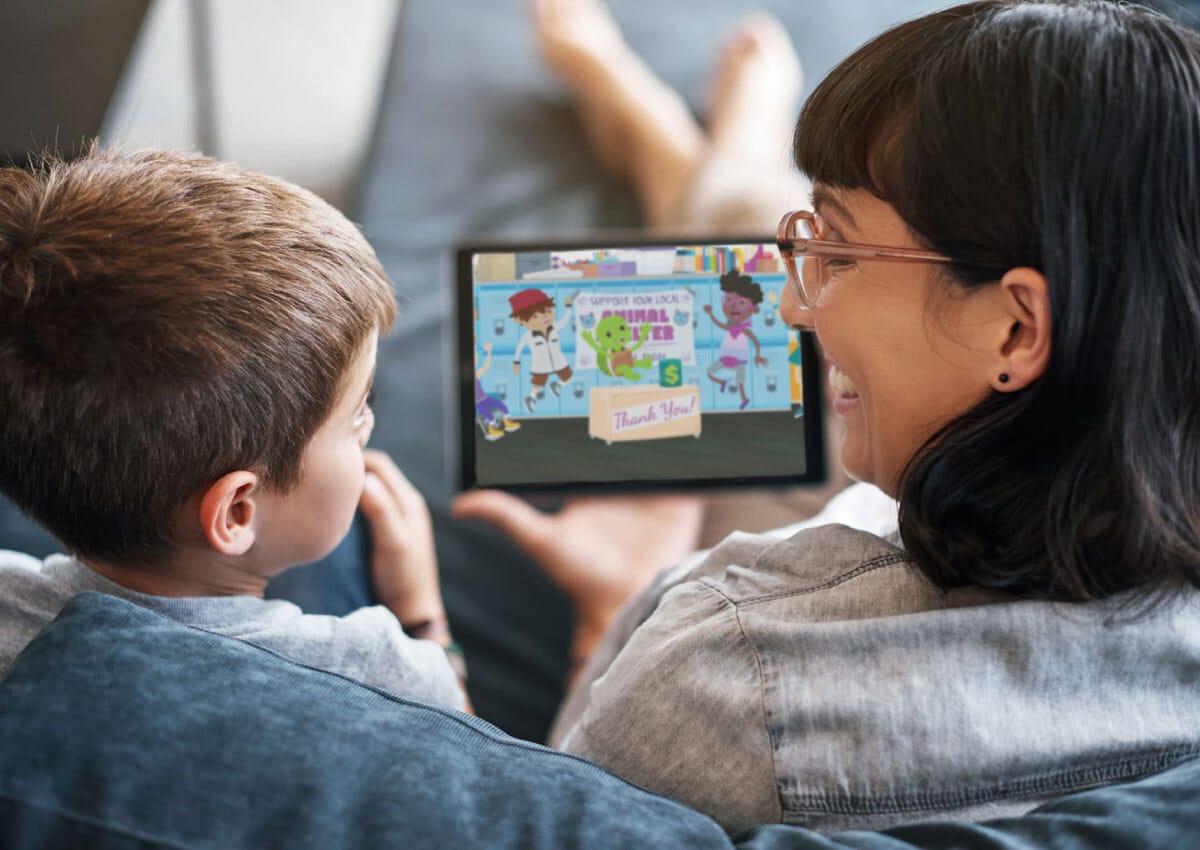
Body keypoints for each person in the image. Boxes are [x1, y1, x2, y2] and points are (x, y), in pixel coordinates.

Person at [455, 0, 1200, 835]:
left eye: (838, 252)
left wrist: (606, 611)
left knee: (742, 316)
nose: (792, 303)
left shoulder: (731, 679)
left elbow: (549, 817)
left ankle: (673, 135)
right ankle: (706, 154)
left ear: (1018, 326)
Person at [0, 148, 469, 712]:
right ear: (237, 511)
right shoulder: (382, 675)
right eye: (357, 414)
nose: (370, 426)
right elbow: (477, 754)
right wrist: (424, 617)